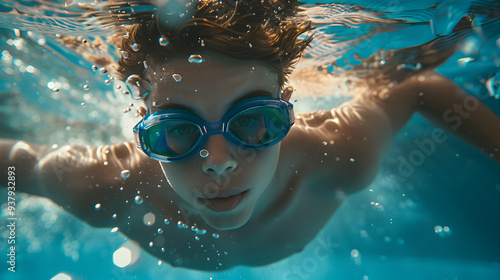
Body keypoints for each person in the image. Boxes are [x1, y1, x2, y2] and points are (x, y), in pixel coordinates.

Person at [1, 0, 499, 271]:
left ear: (288, 111)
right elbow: (12, 161)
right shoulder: (107, 186)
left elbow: (420, 87)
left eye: (253, 122)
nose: (218, 162)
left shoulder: (340, 152)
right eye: (175, 133)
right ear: (141, 128)